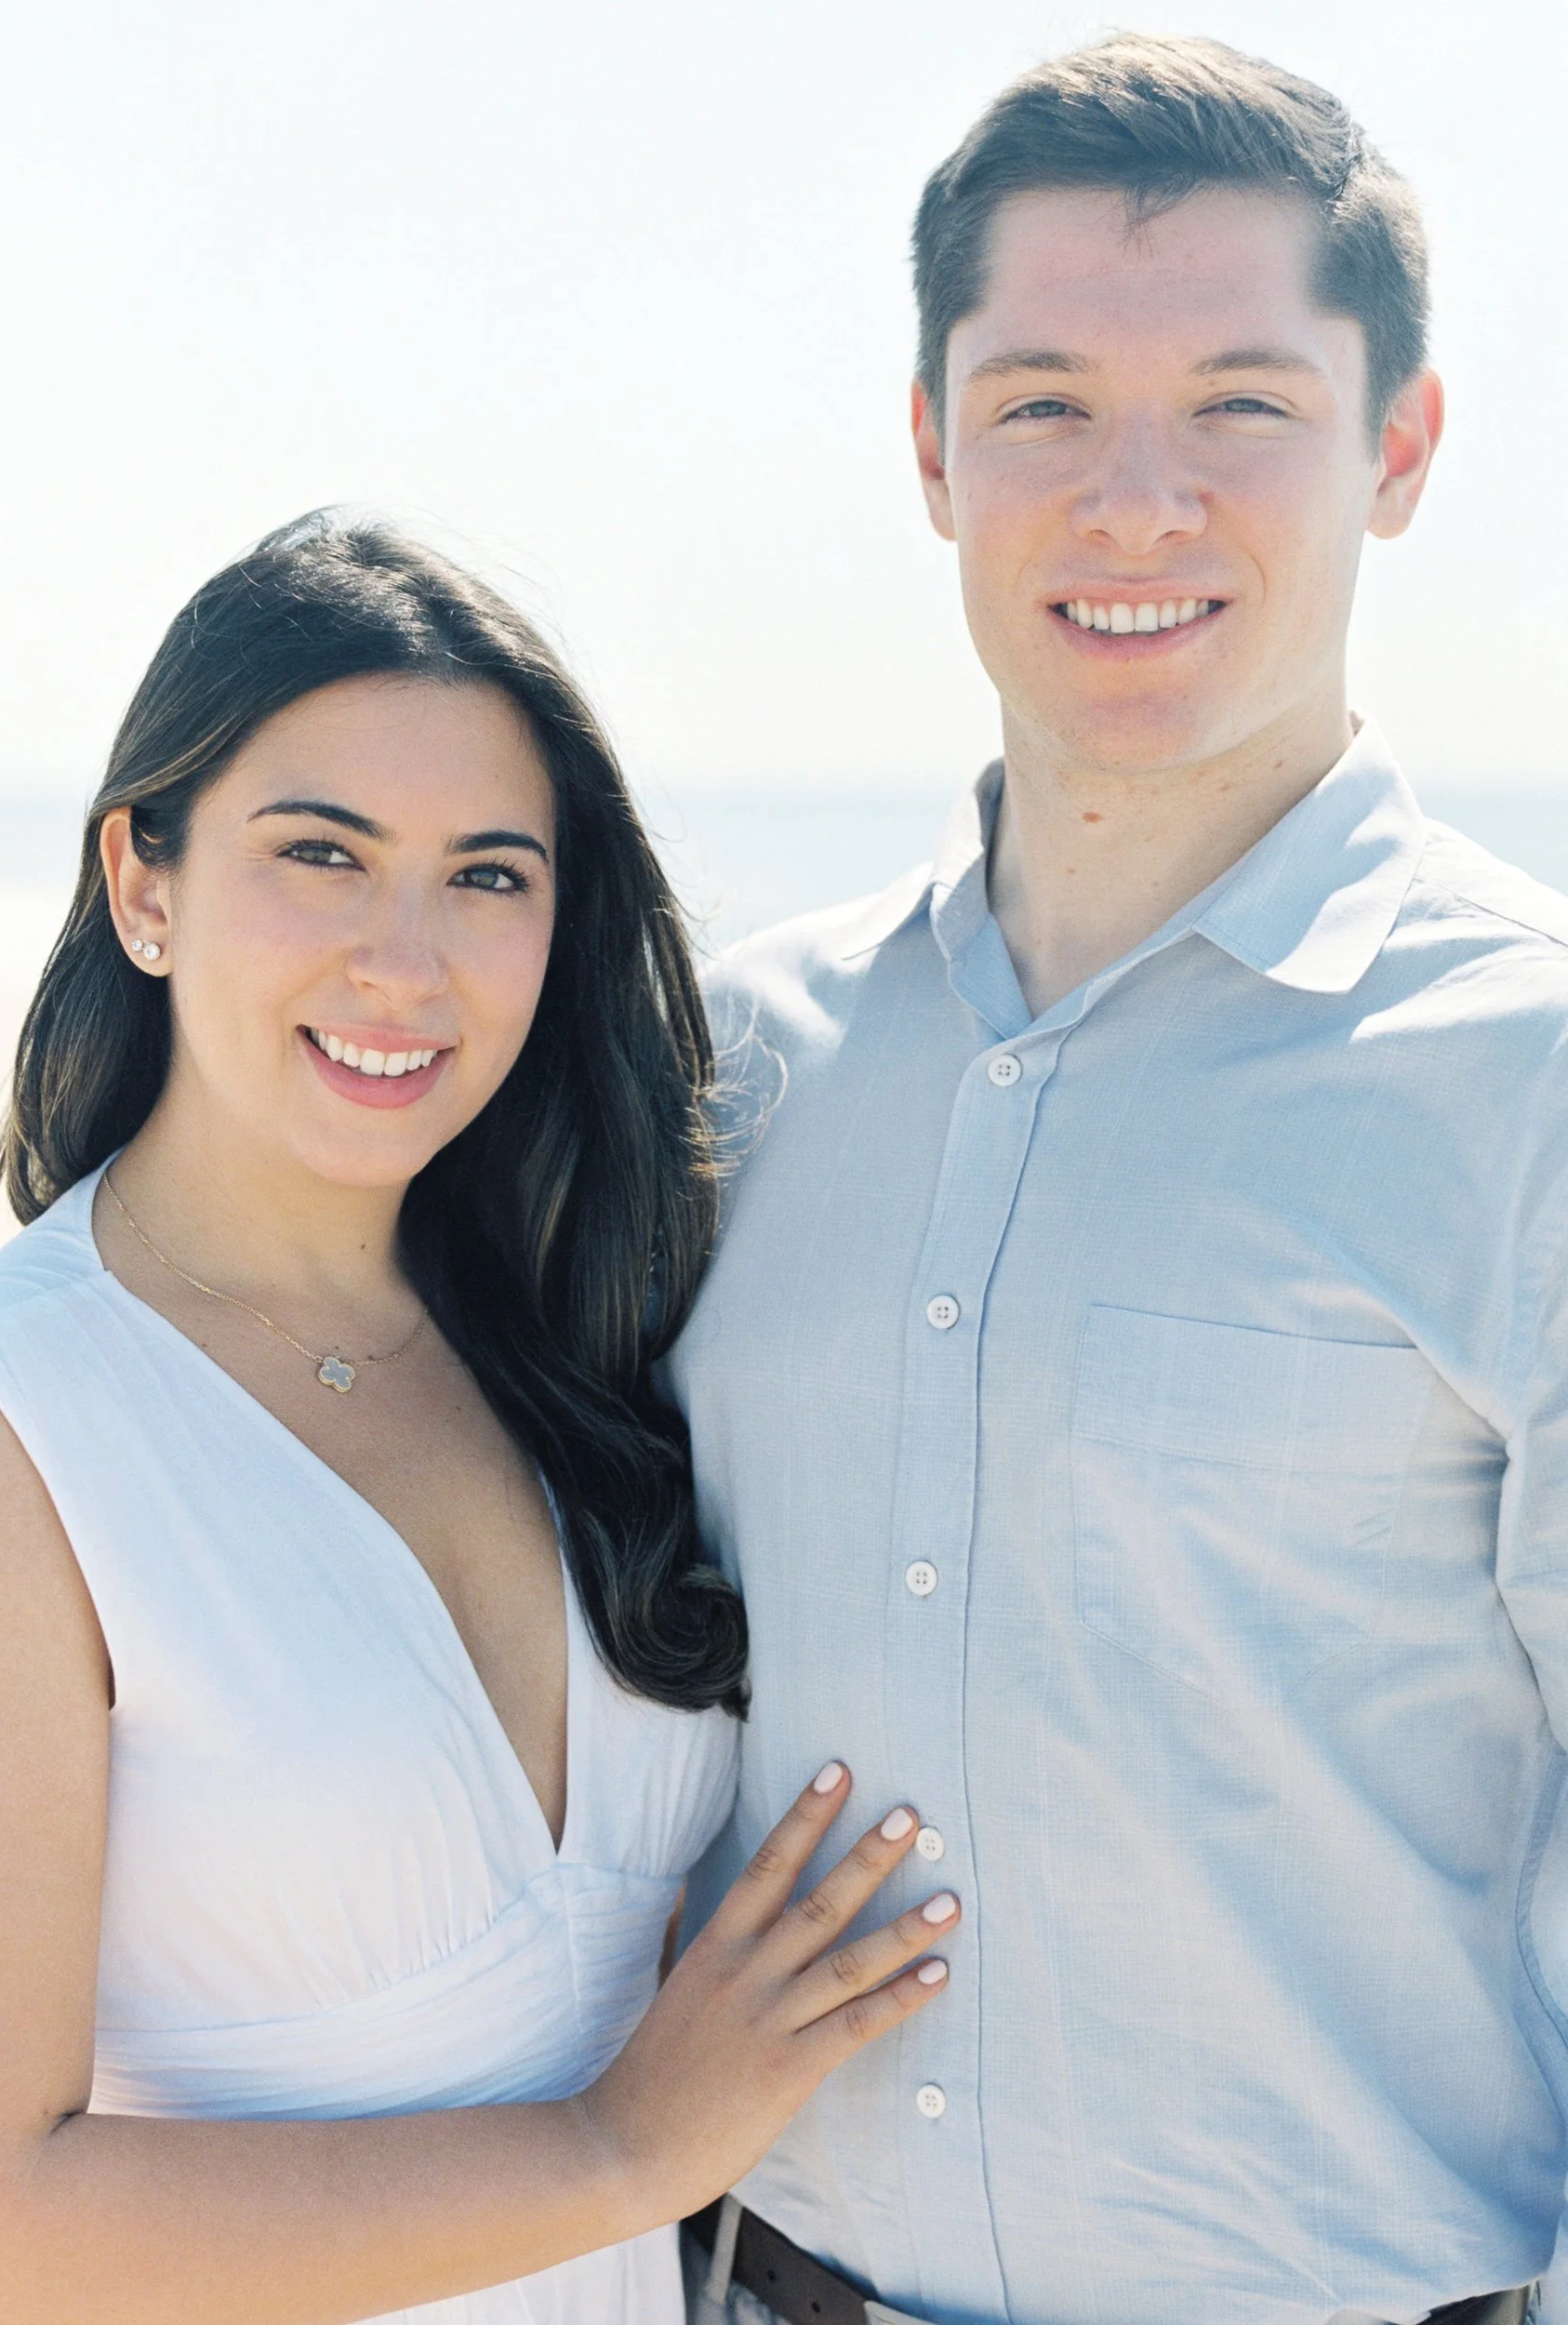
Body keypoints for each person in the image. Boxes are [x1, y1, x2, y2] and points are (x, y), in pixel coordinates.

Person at [670, 34, 1563, 2325]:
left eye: (1245, 405)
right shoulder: (732, 1064)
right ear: (931, 451)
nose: (1136, 500)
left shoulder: (1532, 1073)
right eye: (1046, 400)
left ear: (1403, 450)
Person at [0, 513, 961, 2325]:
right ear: (145, 878)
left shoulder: (586, 1343)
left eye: (487, 874)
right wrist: (618, 2149)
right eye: (323, 853)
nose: (404, 959)